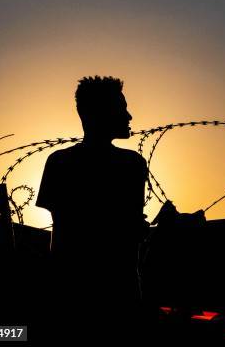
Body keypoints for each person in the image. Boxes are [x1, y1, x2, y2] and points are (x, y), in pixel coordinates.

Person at [36, 76, 149, 328]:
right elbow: (129, 233)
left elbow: (65, 227)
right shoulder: (131, 165)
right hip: (119, 294)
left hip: (67, 291)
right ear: (100, 114)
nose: (129, 116)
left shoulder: (59, 162)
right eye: (122, 108)